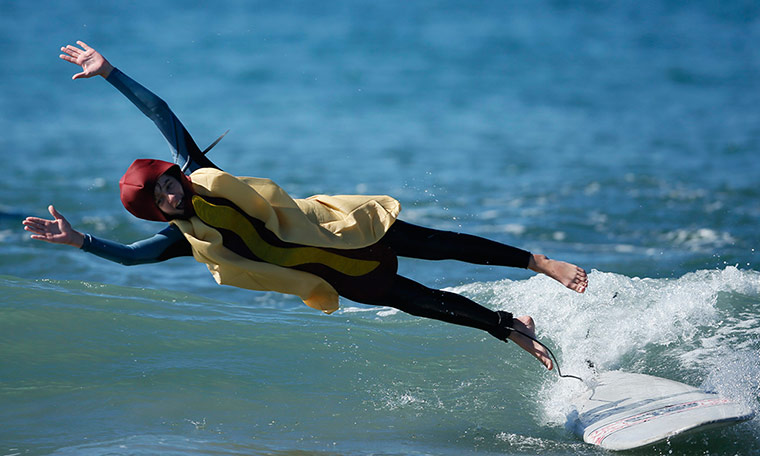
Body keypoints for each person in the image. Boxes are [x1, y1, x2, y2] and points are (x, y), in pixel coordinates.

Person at [23, 41, 588, 371]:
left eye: (165, 182)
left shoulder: (199, 172)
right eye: (159, 198)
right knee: (424, 303)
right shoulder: (184, 239)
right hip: (336, 275)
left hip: (344, 230)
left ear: (171, 172)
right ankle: (512, 327)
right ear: (155, 211)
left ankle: (538, 262)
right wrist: (78, 242)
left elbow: (161, 111)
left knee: (441, 246)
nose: (170, 193)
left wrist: (111, 74)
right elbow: (132, 259)